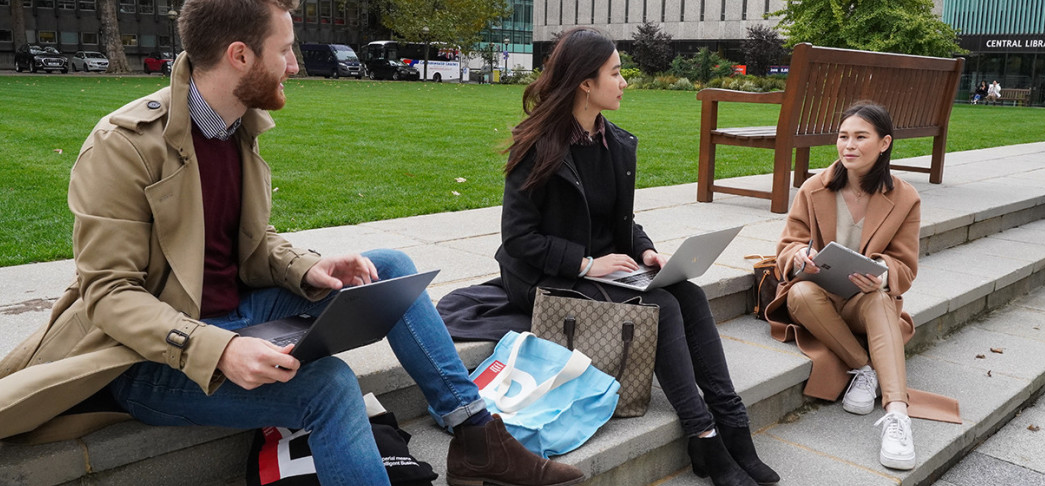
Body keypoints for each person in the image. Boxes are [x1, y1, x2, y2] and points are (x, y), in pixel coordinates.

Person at [0, 1, 586, 486]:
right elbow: (110, 295)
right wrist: (220, 350)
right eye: (285, 49)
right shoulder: (123, 146)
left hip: (236, 311)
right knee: (330, 386)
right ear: (240, 55)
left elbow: (249, 246)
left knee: (388, 268)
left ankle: (476, 433)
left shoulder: (236, 127)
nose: (295, 65)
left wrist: (309, 269)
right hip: (148, 356)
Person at [494, 28, 779, 486]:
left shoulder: (614, 142)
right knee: (661, 307)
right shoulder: (537, 146)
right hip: (544, 276)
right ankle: (702, 433)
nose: (624, 81)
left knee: (684, 291)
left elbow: (616, 222)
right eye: (616, 72)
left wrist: (644, 250)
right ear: (586, 82)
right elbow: (517, 240)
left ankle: (732, 421)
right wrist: (587, 265)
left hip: (604, 271)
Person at [763, 102, 959, 472]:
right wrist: (799, 258)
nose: (848, 145)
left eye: (860, 137)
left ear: (884, 143)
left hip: (864, 303)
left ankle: (898, 417)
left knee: (879, 298)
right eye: (843, 136)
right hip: (817, 296)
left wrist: (882, 272)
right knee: (802, 292)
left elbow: (905, 264)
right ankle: (864, 369)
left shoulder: (904, 197)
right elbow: (789, 244)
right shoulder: (813, 188)